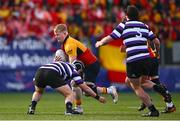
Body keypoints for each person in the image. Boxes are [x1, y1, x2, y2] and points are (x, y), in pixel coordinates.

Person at [96, 5, 161, 117]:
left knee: (135, 86)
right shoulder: (144, 25)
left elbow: (111, 37)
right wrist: (157, 52)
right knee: (141, 82)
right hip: (147, 59)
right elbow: (157, 42)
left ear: (126, 16)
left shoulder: (124, 25)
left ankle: (153, 109)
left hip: (134, 59)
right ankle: (159, 89)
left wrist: (100, 42)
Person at [53, 24, 118, 114]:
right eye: (55, 34)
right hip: (85, 66)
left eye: (57, 34)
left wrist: (63, 70)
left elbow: (72, 63)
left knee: (86, 91)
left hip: (91, 65)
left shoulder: (69, 44)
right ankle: (79, 107)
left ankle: (109, 90)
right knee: (75, 84)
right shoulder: (65, 44)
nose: (56, 37)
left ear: (65, 33)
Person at [27, 61, 106, 115]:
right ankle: (69, 110)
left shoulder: (65, 64)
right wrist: (98, 97)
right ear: (80, 70)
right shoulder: (74, 71)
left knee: (38, 92)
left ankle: (32, 108)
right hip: (51, 73)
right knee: (70, 94)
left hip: (40, 71)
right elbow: (85, 88)